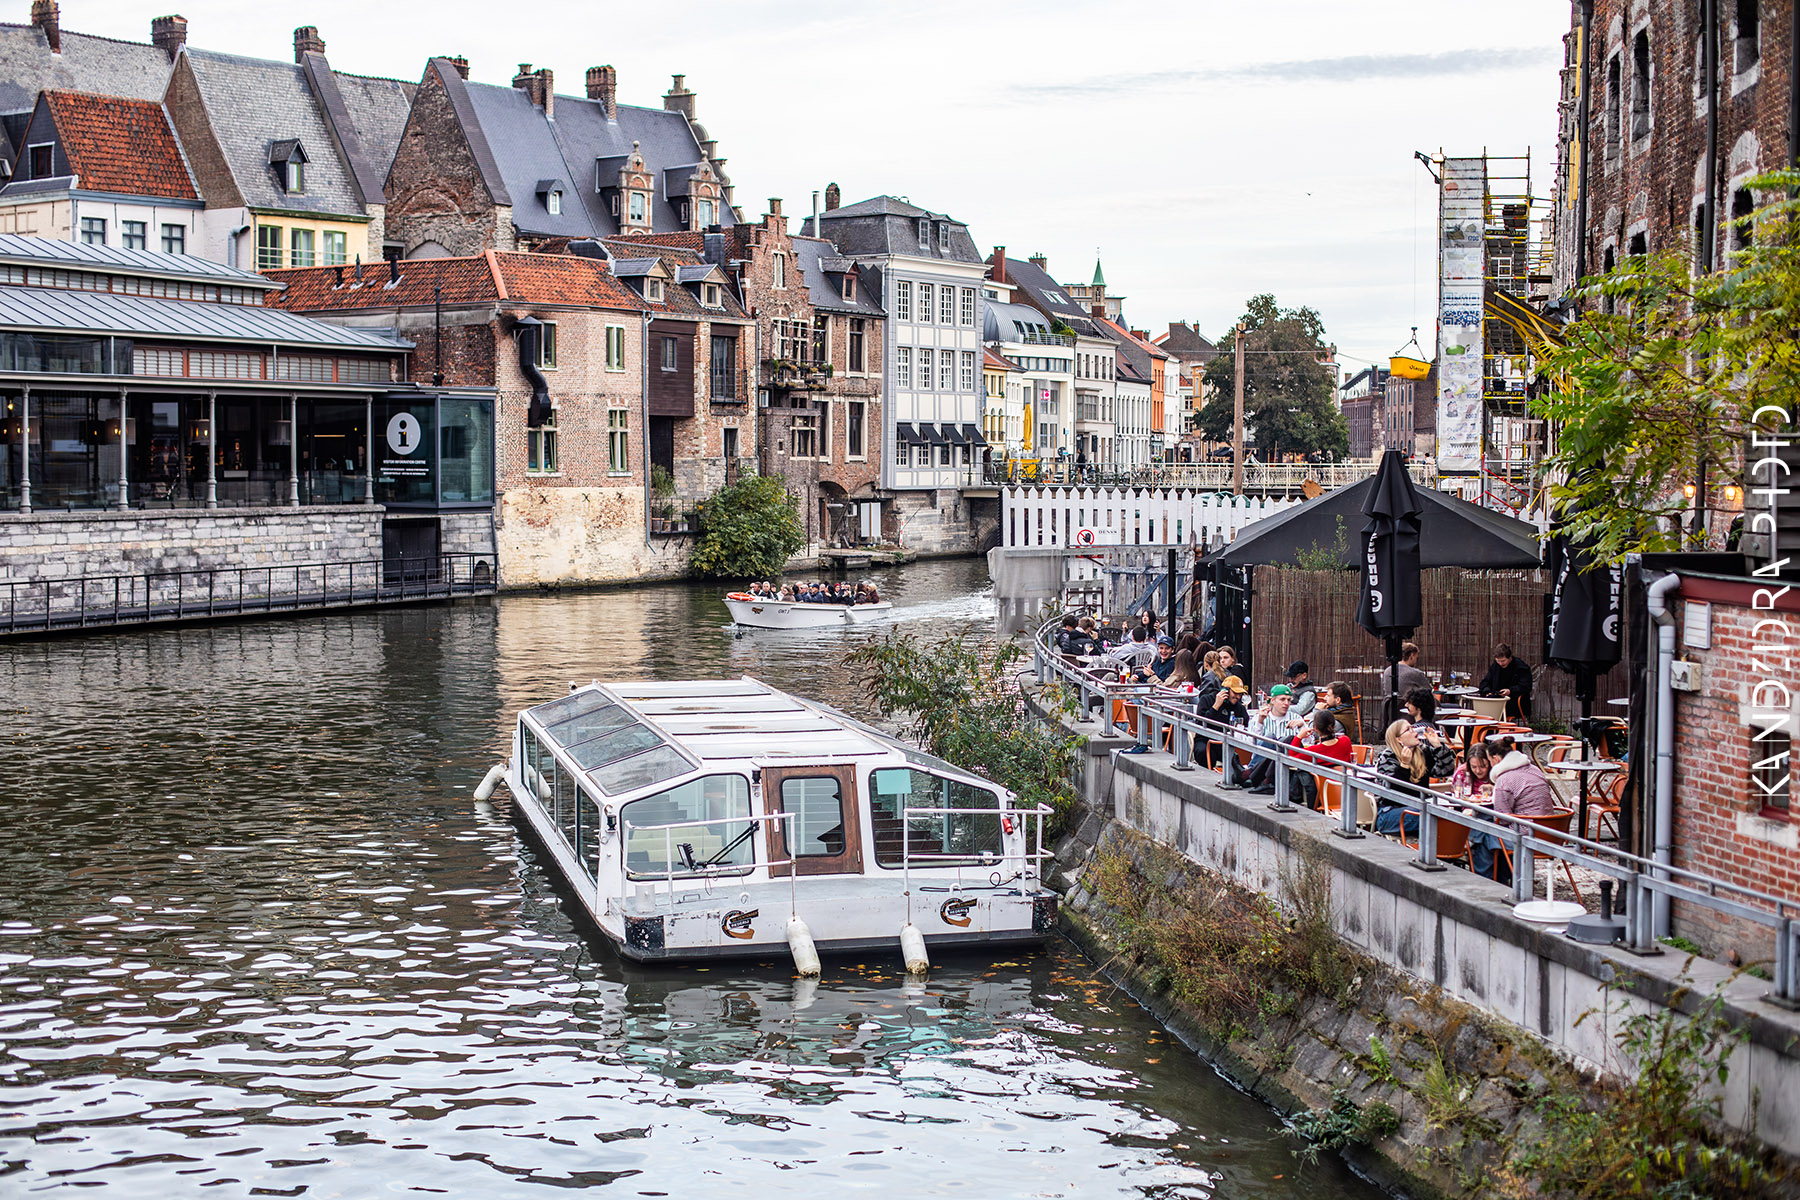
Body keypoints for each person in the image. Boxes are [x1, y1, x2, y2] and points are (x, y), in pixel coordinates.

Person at [1372, 720, 1455, 838]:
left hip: (1420, 807)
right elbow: (1391, 793)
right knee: (1431, 815)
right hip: (1391, 813)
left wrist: (1438, 746)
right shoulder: (1388, 757)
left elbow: (1447, 771)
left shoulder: (1423, 752)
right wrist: (1404, 766)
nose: (1414, 731)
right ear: (1399, 739)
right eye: (1408, 729)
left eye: (1413, 727)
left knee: (1449, 815)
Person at [1290, 709, 1355, 808]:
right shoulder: (1346, 741)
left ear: (1315, 728)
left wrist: (1298, 737)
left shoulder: (1314, 751)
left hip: (1325, 793)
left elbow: (1292, 756)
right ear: (1334, 725)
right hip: (1347, 791)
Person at [1241, 686, 1295, 793]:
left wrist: (1302, 727)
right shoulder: (1259, 717)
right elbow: (1250, 743)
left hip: (1286, 765)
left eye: (1289, 700)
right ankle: (1261, 777)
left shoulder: (1296, 718)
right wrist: (1260, 723)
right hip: (1264, 764)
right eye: (1282, 699)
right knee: (1269, 737)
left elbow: (1307, 745)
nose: (1286, 703)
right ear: (1273, 700)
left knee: (1284, 741)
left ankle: (1251, 773)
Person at [1478, 643, 1534, 720]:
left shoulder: (1521, 667)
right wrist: (1487, 691)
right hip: (1496, 700)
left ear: (1510, 658)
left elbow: (1526, 686)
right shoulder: (1495, 666)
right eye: (1498, 661)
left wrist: (1510, 691)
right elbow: (1484, 682)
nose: (1501, 664)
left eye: (1503, 661)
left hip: (1514, 701)